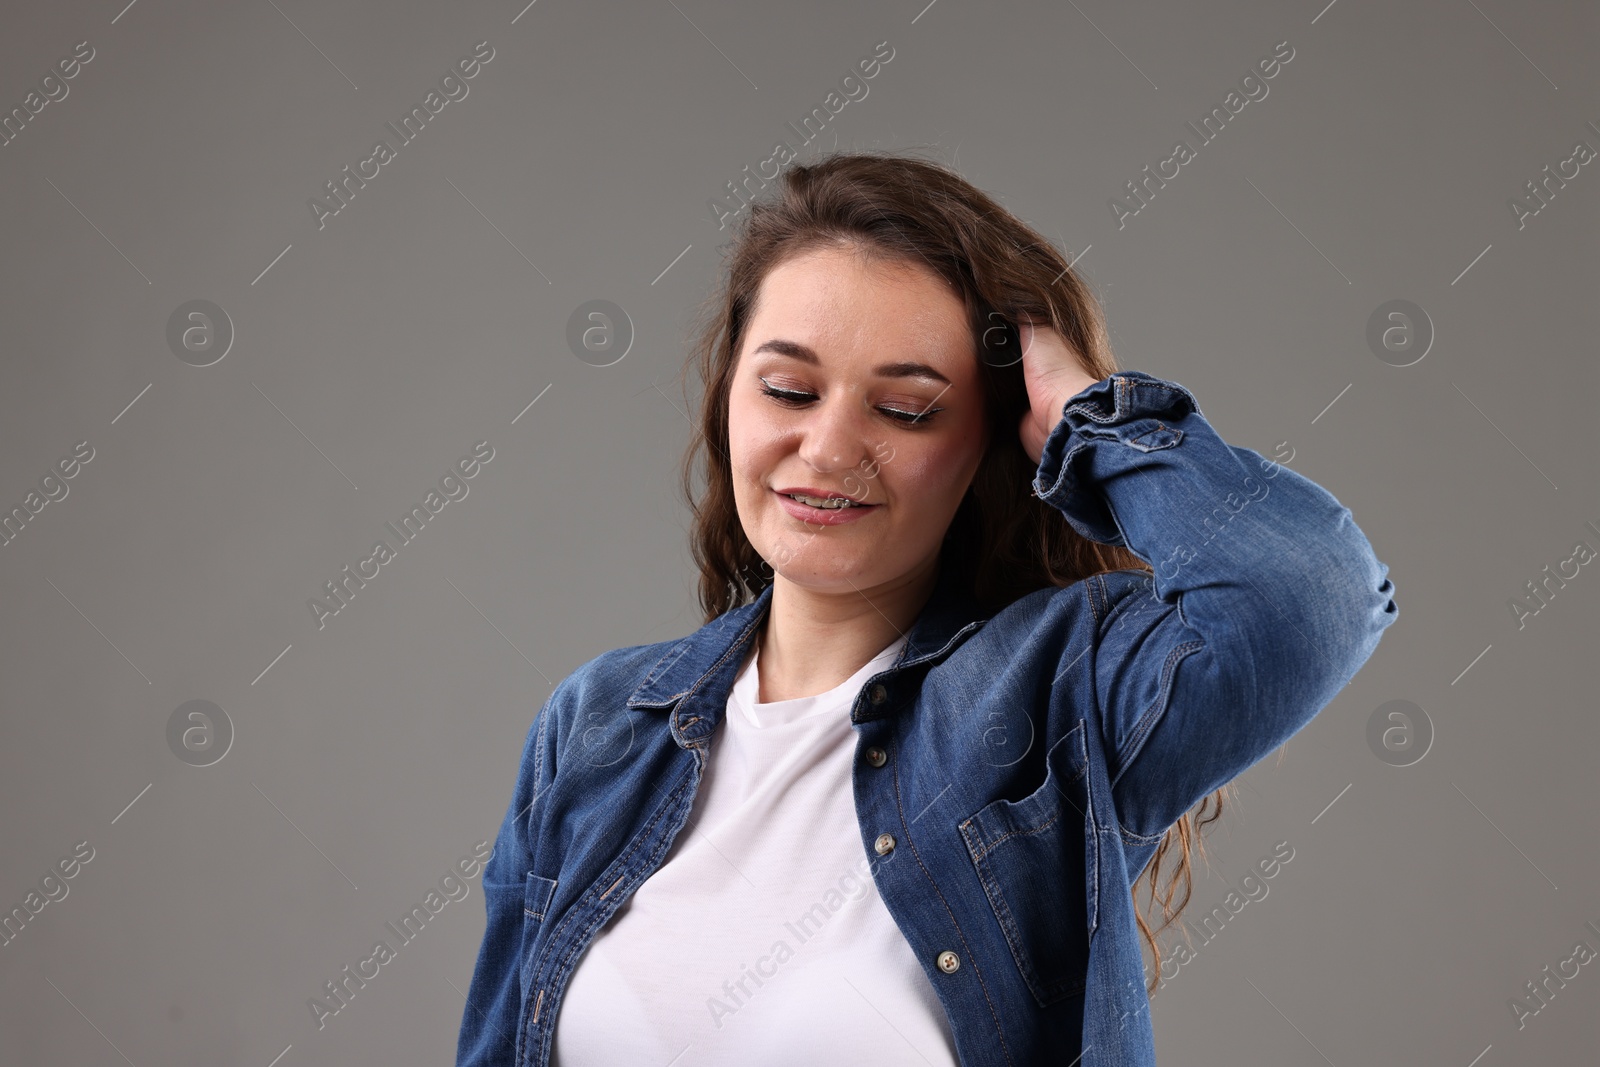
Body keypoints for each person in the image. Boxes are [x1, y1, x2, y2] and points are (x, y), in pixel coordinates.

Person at [456, 151, 1398, 1067]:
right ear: (728, 395)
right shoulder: (595, 725)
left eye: (905, 409)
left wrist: (1086, 418)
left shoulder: (1056, 696)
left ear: (989, 445)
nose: (827, 449)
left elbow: (1310, 596)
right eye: (788, 388)